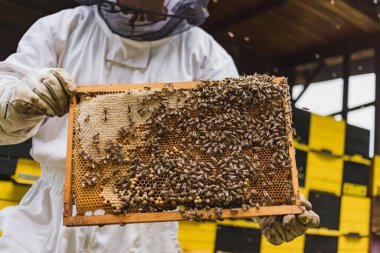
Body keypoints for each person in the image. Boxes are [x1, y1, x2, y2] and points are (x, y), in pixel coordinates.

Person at [0, 0, 319, 252]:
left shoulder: (204, 53)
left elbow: (238, 151)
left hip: (148, 234)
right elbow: (5, 94)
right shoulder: (61, 29)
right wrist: (16, 100)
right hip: (47, 222)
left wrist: (268, 207)